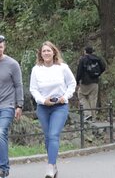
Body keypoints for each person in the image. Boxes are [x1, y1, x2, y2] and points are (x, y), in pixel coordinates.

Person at [30, 41, 76, 178]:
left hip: (59, 106)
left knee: (54, 135)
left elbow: (72, 83)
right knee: (48, 137)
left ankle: (50, 166)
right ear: (40, 54)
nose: (46, 53)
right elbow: (33, 89)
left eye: (48, 51)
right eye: (43, 51)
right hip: (43, 107)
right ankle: (54, 165)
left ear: (54, 52)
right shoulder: (36, 69)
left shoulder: (62, 67)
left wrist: (65, 96)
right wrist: (43, 100)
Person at [0, 35, 23, 178]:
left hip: (7, 105)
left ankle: (3, 168)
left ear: (4, 47)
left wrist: (19, 105)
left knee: (0, 132)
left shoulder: (12, 64)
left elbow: (18, 85)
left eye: (0, 47)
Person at [75, 45, 106, 121]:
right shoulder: (97, 59)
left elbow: (79, 71)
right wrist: (97, 74)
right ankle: (94, 118)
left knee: (81, 95)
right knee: (93, 99)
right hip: (95, 82)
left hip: (85, 82)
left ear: (85, 51)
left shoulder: (83, 59)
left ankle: (87, 113)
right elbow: (103, 67)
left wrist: (77, 81)